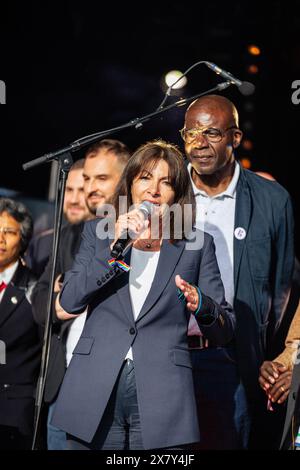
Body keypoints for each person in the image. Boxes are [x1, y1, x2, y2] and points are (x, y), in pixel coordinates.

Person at [50, 140, 235, 450]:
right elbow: (66, 304)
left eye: (166, 182)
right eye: (146, 178)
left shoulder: (196, 244)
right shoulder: (99, 233)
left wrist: (201, 304)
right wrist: (113, 250)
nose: (154, 190)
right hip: (94, 390)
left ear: (177, 194)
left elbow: (224, 330)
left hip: (163, 396)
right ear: (131, 184)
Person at [181, 94, 295, 449]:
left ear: (235, 137)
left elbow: (284, 291)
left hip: (232, 360)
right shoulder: (164, 193)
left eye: (212, 134)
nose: (199, 145)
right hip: (167, 355)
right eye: (191, 134)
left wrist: (279, 357)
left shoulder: (272, 200)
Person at [31, 138, 131, 450]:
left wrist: (72, 291)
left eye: (102, 178)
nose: (90, 187)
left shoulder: (143, 236)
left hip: (117, 382)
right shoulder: (69, 235)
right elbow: (40, 303)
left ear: (126, 180)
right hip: (65, 384)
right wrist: (60, 299)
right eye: (86, 178)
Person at [0, 198, 42, 449]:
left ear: (23, 239)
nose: (0, 239)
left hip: (12, 412)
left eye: (9, 232)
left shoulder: (35, 287)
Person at [25, 158, 91, 277]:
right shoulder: (42, 244)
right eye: (69, 190)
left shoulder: (108, 242)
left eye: (82, 190)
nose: (73, 200)